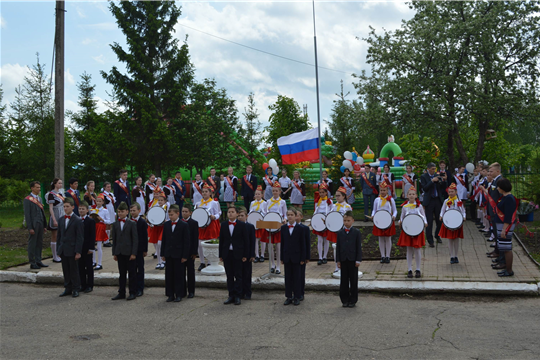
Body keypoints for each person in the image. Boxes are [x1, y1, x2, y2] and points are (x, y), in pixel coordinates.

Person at [219, 207, 249, 305]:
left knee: (238, 275)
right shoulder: (223, 225)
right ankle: (231, 295)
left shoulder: (241, 225)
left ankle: (238, 295)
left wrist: (245, 254)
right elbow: (222, 240)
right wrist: (221, 254)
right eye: (229, 212)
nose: (230, 214)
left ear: (237, 214)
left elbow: (246, 241)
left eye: (232, 212)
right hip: (227, 253)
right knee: (229, 275)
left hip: (238, 253)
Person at [161, 204, 191, 302]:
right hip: (169, 253)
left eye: (172, 214)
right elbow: (164, 239)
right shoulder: (166, 225)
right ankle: (170, 294)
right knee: (169, 275)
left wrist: (185, 255)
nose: (170, 217)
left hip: (179, 254)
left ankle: (179, 294)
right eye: (169, 215)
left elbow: (186, 242)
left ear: (178, 214)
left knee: (179, 275)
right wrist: (163, 253)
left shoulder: (184, 225)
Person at [57, 198, 84, 298]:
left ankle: (76, 288)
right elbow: (59, 236)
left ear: (73, 207)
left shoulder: (77, 220)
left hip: (72, 249)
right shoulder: (61, 220)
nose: (65, 208)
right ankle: (67, 287)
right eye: (64, 207)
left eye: (67, 206)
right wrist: (58, 249)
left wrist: (78, 251)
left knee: (74, 270)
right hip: (64, 249)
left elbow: (79, 237)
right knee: (66, 269)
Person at [111, 202, 138, 301]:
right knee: (122, 274)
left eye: (122, 212)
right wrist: (114, 253)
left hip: (129, 252)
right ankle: (121, 292)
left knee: (132, 273)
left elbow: (135, 239)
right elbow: (114, 239)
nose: (120, 214)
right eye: (118, 212)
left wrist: (134, 253)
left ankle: (132, 292)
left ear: (127, 212)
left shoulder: (132, 223)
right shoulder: (116, 224)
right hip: (120, 252)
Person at [397, 187, 427, 278]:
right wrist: (400, 222)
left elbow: (423, 216)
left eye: (413, 194)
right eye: (409, 194)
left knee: (417, 250)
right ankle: (409, 269)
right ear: (407, 195)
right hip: (408, 230)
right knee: (409, 249)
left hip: (417, 230)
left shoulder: (419, 206)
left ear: (416, 195)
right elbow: (402, 217)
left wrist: (425, 223)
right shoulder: (405, 207)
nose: (411, 196)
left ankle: (418, 269)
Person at [336, 211, 362, 307]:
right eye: (344, 220)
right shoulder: (340, 233)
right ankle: (344, 299)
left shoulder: (356, 232)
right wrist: (338, 260)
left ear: (352, 221)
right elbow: (338, 247)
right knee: (344, 281)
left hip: (353, 259)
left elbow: (358, 247)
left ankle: (353, 300)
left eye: (348, 220)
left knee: (353, 280)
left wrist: (358, 260)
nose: (346, 222)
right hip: (343, 259)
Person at [280, 208, 306, 306]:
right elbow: (282, 243)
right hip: (287, 256)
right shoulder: (283, 228)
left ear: (295, 216)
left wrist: (303, 258)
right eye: (288, 215)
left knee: (297, 277)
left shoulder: (301, 229)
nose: (290, 216)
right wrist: (282, 257)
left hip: (297, 256)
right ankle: (288, 296)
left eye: (292, 215)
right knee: (288, 277)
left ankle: (297, 296)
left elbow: (303, 244)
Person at [493, 178, 517, 277]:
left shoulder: (509, 199)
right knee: (503, 247)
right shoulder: (504, 197)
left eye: (499, 187)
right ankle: (507, 268)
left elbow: (508, 216)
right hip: (501, 225)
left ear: (503, 188)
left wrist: (504, 230)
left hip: (505, 226)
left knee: (507, 248)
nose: (497, 188)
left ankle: (509, 270)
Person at [195, 184, 222, 271]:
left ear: (210, 193)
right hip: (201, 226)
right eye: (203, 192)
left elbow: (219, 213)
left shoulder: (214, 203)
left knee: (210, 243)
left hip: (211, 225)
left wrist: (214, 216)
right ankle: (202, 262)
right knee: (199, 244)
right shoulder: (198, 203)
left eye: (206, 191)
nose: (204, 193)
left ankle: (210, 262)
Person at [439, 183, 466, 264]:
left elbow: (463, 211)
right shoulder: (446, 201)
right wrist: (441, 216)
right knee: (450, 239)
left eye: (452, 191)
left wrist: (464, 217)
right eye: (449, 192)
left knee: (456, 239)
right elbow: (442, 210)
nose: (451, 193)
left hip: (457, 223)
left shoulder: (459, 201)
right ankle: (451, 256)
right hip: (448, 223)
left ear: (456, 192)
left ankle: (456, 256)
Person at [420, 162, 445, 247]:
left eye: (435, 169)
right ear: (428, 169)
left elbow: (442, 187)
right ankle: (430, 240)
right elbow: (425, 188)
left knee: (439, 220)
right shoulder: (424, 177)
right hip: (429, 201)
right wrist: (432, 181)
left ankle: (437, 235)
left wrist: (443, 180)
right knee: (429, 221)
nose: (434, 171)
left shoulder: (437, 175)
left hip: (437, 200)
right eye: (432, 169)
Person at [371, 182, 397, 263]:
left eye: (384, 190)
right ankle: (382, 256)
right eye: (381, 190)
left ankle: (388, 256)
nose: (382, 192)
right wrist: (372, 215)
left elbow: (395, 210)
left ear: (387, 191)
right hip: (379, 221)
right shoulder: (377, 200)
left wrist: (394, 216)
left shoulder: (390, 199)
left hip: (388, 221)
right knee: (381, 238)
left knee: (388, 238)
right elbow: (374, 210)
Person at [24, 181, 48, 270]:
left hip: (40, 223)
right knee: (32, 243)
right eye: (37, 187)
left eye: (39, 187)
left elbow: (42, 212)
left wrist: (45, 225)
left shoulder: (39, 199)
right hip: (34, 224)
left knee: (39, 243)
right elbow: (27, 215)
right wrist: (30, 227)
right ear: (32, 188)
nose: (39, 189)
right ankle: (32, 261)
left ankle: (38, 260)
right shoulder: (27, 199)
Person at [266, 182, 287, 274]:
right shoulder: (268, 201)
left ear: (279, 192)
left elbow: (285, 214)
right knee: (270, 246)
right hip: (270, 226)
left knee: (278, 247)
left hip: (278, 225)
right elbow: (265, 212)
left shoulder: (282, 202)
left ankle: (278, 266)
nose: (275, 192)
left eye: (276, 191)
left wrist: (285, 220)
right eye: (273, 191)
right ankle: (272, 264)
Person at [330, 187, 353, 272]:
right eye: (336, 196)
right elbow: (330, 216)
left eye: (339, 195)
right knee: (335, 248)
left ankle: (345, 266)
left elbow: (350, 219)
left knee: (345, 248)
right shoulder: (334, 206)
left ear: (343, 196)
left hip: (344, 230)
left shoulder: (347, 206)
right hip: (335, 230)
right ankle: (337, 267)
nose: (337, 197)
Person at [130, 202, 148, 297]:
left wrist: (145, 250)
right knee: (132, 269)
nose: (132, 212)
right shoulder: (129, 221)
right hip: (130, 249)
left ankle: (140, 288)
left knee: (140, 268)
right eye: (131, 211)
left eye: (134, 210)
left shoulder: (142, 222)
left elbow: (144, 237)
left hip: (140, 249)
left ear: (139, 211)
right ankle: (133, 287)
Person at [237, 207, 256, 300]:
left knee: (247, 274)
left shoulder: (250, 227)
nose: (240, 217)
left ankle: (248, 292)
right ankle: (240, 292)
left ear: (246, 216)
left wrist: (252, 254)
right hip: (238, 254)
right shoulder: (236, 226)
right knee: (239, 274)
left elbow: (252, 241)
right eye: (239, 216)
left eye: (242, 216)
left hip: (247, 254)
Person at [181, 204, 199, 298]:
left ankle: (191, 291)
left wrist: (194, 252)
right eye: (183, 211)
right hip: (181, 251)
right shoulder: (179, 222)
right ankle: (182, 291)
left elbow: (195, 238)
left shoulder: (194, 223)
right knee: (181, 272)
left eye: (186, 212)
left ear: (190, 213)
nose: (184, 213)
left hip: (190, 251)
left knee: (190, 272)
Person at [313, 184, 333, 266]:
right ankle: (320, 257)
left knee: (326, 240)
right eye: (320, 192)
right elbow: (316, 211)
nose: (321, 194)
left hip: (326, 221)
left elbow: (332, 210)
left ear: (326, 193)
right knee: (320, 240)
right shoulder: (318, 201)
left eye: (323, 192)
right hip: (319, 221)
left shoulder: (329, 201)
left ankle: (325, 256)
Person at [78, 201, 95, 293]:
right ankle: (83, 284)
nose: (81, 211)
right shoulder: (77, 220)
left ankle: (90, 285)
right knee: (80, 267)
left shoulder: (90, 221)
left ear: (87, 210)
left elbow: (92, 235)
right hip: (79, 248)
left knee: (88, 267)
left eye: (83, 209)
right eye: (80, 209)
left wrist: (91, 248)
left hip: (87, 247)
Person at [148, 193, 169, 269]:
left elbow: (170, 217)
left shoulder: (166, 207)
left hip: (163, 227)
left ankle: (164, 261)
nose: (160, 201)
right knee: (156, 244)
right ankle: (159, 262)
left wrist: (167, 221)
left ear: (165, 201)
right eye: (159, 200)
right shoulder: (155, 207)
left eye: (161, 200)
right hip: (156, 227)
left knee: (160, 243)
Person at [90, 195, 111, 271]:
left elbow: (109, 221)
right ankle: (93, 261)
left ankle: (100, 263)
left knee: (99, 246)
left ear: (102, 202)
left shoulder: (105, 210)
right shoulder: (93, 210)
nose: (98, 202)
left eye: (100, 201)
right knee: (92, 246)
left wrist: (102, 219)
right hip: (93, 227)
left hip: (101, 228)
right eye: (97, 201)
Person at [47, 178, 65, 263]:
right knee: (54, 236)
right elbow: (50, 208)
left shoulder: (60, 193)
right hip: (55, 214)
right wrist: (54, 219)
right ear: (55, 184)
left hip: (62, 213)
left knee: (60, 235)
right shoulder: (51, 194)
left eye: (61, 183)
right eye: (59, 183)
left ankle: (59, 253)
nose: (60, 185)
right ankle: (54, 256)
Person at [294, 208, 310, 301]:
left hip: (301, 256)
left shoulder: (305, 228)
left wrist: (306, 257)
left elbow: (307, 243)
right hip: (292, 255)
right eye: (294, 215)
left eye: (297, 215)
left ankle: (300, 293)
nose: (295, 217)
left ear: (301, 217)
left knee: (300, 275)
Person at [249, 186, 268, 263]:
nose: (257, 195)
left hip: (262, 221)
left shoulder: (265, 203)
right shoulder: (252, 203)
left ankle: (262, 255)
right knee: (255, 239)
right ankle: (256, 255)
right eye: (256, 194)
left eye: (258, 194)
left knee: (262, 239)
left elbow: (266, 212)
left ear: (262, 195)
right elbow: (250, 211)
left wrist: (261, 213)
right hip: (254, 222)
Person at [102, 181, 116, 247]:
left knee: (110, 225)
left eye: (110, 187)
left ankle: (108, 240)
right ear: (104, 187)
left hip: (111, 209)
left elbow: (113, 203)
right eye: (107, 187)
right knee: (107, 225)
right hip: (107, 210)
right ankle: (105, 241)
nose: (109, 188)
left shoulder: (111, 194)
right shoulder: (103, 195)